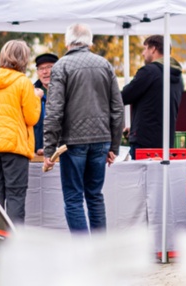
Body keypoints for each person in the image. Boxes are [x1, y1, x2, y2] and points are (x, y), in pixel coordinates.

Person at [42, 23, 124, 234]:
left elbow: (54, 111)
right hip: (101, 140)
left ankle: (83, 255)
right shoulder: (105, 65)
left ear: (68, 42)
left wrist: (49, 150)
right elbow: (117, 108)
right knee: (95, 195)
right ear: (90, 42)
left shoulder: (61, 66)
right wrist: (114, 145)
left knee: (73, 198)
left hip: (72, 142)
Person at [0, 40, 41, 225]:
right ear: (23, 59)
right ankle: (14, 246)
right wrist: (36, 98)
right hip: (14, 146)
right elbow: (31, 118)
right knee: (15, 196)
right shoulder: (24, 83)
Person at [121, 35, 184, 159]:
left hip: (144, 143)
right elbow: (155, 104)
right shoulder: (178, 77)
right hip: (166, 141)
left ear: (153, 49)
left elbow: (124, 97)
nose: (143, 53)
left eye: (145, 49)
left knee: (142, 178)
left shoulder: (149, 72)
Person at [33, 53, 59, 156]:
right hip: (37, 153)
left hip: (62, 151)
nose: (45, 72)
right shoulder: (31, 93)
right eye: (41, 68)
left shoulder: (68, 93)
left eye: (49, 67)